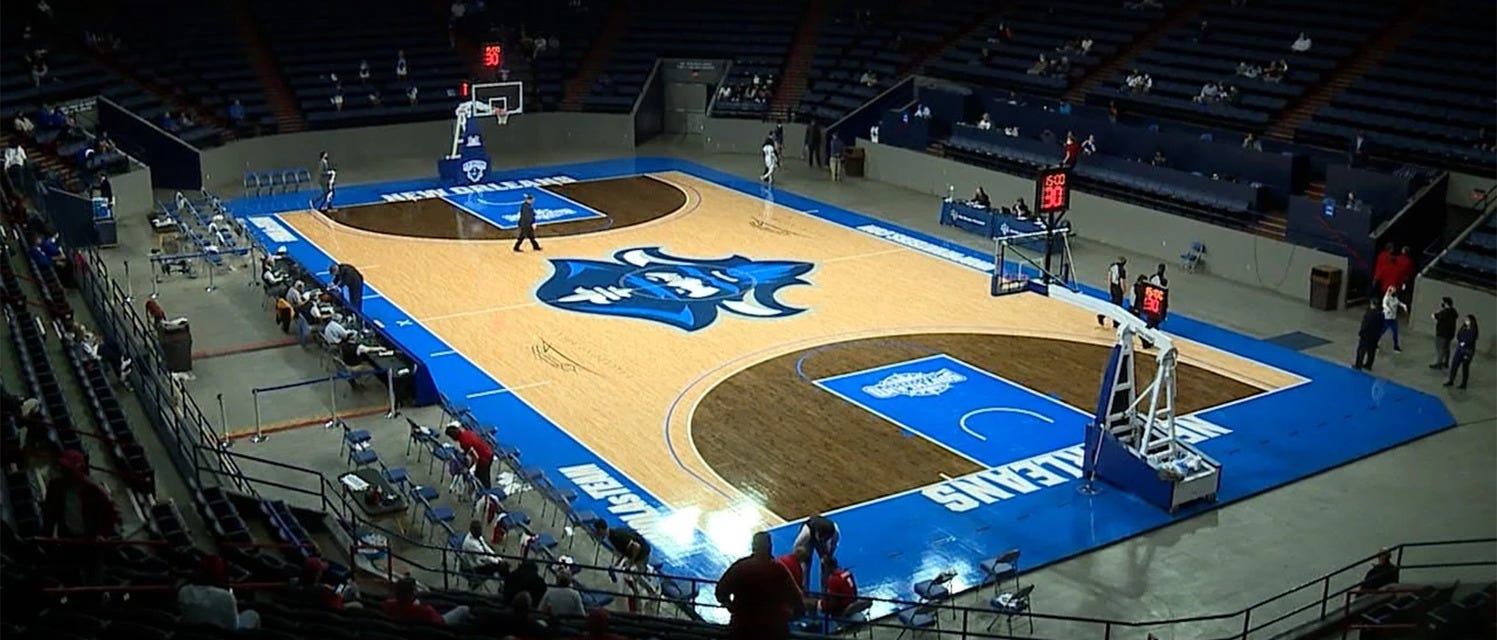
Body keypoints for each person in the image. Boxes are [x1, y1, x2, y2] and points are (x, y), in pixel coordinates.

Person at [716, 531, 806, 640]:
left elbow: (720, 592)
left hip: (742, 627)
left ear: (753, 546)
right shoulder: (779, 569)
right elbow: (797, 599)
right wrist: (791, 615)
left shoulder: (740, 567)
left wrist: (732, 607)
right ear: (770, 547)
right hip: (773, 630)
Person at [179, 555, 261, 630]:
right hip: (221, 633)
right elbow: (233, 626)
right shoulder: (226, 596)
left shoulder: (184, 591)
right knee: (253, 615)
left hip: (193, 631)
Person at [384, 576, 472, 625]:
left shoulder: (388, 604)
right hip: (440, 622)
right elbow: (438, 622)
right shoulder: (426, 610)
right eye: (414, 590)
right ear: (411, 594)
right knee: (464, 609)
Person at [459, 519, 509, 586]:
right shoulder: (471, 543)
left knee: (500, 560)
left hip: (480, 559)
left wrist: (495, 555)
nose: (480, 532)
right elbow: (484, 558)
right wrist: (498, 561)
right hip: (474, 567)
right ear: (472, 530)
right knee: (502, 566)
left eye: (480, 529)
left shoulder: (477, 536)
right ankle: (506, 584)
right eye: (478, 530)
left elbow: (486, 547)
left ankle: (505, 582)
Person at [445, 423, 494, 490]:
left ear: (453, 437)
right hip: (488, 452)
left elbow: (476, 457)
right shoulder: (467, 432)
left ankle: (486, 494)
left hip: (484, 459)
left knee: (481, 477)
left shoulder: (464, 443)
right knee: (485, 476)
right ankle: (485, 491)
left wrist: (472, 468)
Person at [793, 514, 839, 584]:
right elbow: (796, 548)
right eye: (821, 539)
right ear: (817, 534)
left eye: (825, 539)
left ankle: (826, 589)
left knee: (826, 563)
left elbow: (833, 546)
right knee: (805, 565)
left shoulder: (835, 531)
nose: (823, 541)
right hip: (808, 539)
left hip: (820, 535)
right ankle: (804, 589)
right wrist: (802, 557)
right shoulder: (806, 533)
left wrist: (828, 557)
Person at [1444, 315, 1479, 389]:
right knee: (1454, 364)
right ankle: (1451, 380)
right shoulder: (1463, 327)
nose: (1466, 321)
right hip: (1460, 349)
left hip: (1468, 351)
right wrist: (1461, 341)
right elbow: (1459, 335)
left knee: (1465, 367)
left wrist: (1465, 342)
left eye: (1467, 320)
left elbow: (1471, 339)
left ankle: (1464, 384)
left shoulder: (1473, 330)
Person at [1097, 256, 1127, 327]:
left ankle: (1103, 316)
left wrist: (1109, 287)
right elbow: (1122, 281)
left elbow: (1109, 277)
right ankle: (1114, 322)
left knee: (1112, 303)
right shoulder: (1122, 270)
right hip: (1118, 289)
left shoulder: (1112, 266)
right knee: (1117, 306)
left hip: (1112, 287)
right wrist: (1123, 290)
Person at [1353, 300, 1383, 371]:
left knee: (1361, 349)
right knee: (1371, 351)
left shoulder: (1369, 314)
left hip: (1366, 335)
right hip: (1375, 336)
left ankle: (1358, 364)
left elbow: (1365, 325)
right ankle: (1368, 365)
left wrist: (1361, 332)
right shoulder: (1380, 315)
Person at [1430, 297, 1458, 369]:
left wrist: (1435, 315)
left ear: (1446, 303)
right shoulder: (1453, 312)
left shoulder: (1445, 313)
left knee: (1440, 349)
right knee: (1446, 349)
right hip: (1449, 334)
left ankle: (1438, 364)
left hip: (1442, 334)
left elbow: (1438, 316)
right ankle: (1446, 362)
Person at [1379, 286, 1406, 352]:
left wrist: (1403, 306)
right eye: (1393, 291)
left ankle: (1396, 347)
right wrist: (1388, 309)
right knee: (1382, 332)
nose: (1394, 292)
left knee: (1395, 333)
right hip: (1387, 318)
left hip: (1393, 318)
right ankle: (1374, 342)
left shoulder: (1395, 298)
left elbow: (1398, 302)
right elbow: (1384, 305)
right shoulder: (1386, 298)